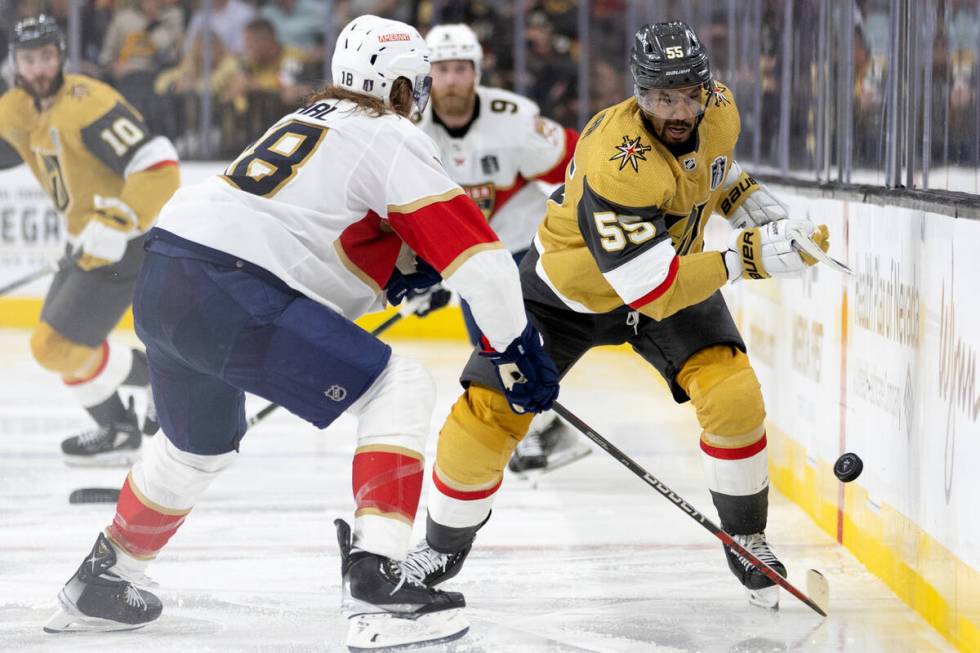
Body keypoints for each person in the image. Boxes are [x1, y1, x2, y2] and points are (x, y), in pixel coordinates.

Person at [44, 15, 558, 652]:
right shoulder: (389, 133)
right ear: (400, 84)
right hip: (232, 287)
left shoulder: (312, 117)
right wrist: (516, 349)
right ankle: (377, 581)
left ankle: (106, 575)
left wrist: (392, 270)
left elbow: (305, 240)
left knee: (197, 447)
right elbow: (483, 260)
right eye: (418, 82)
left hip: (167, 271)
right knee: (398, 386)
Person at [402, 21, 832, 612]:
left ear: (707, 87)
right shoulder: (618, 158)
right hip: (568, 297)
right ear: (638, 93)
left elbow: (713, 164)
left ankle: (748, 536)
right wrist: (751, 257)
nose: (677, 109)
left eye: (688, 93)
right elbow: (650, 290)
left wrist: (741, 194)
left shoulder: (721, 109)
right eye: (660, 96)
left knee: (732, 391)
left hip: (667, 270)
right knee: (486, 416)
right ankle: (439, 548)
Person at [0, 15, 180, 465]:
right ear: (14, 64)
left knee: (54, 346)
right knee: (59, 348)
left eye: (46, 57)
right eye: (28, 59)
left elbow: (158, 161)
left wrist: (121, 217)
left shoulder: (88, 103)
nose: (39, 69)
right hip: (86, 241)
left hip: (127, 242)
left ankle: (163, 378)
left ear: (61, 57)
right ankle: (119, 427)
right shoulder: (18, 108)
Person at [415, 23, 587, 475]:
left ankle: (535, 427)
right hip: (466, 250)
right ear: (428, 75)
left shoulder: (512, 118)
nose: (452, 79)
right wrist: (418, 273)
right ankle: (542, 427)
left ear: (477, 72)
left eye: (461, 69)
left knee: (498, 329)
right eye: (443, 70)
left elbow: (581, 160)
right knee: (490, 333)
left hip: (519, 242)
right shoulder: (407, 126)